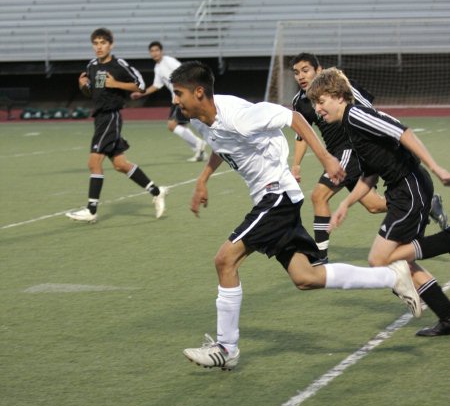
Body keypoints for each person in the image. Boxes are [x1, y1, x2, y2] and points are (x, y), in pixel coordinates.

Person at [169, 61, 421, 371]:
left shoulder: (240, 116)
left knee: (225, 260)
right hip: (270, 199)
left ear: (198, 92)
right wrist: (203, 179)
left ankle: (226, 346)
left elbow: (295, 117)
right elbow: (221, 145)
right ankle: (391, 275)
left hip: (277, 196)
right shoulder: (201, 121)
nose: (174, 101)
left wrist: (327, 158)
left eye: (178, 94)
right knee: (306, 277)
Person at [306, 67, 450, 337]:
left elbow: (403, 133)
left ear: (338, 96)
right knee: (398, 262)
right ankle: (448, 316)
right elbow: (370, 174)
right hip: (400, 191)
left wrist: (437, 167)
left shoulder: (357, 115)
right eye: (314, 104)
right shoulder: (349, 125)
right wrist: (345, 205)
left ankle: (446, 241)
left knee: (379, 259)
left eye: (321, 101)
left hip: (410, 188)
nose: (317, 109)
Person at [290, 52, 386, 261]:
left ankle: (320, 256)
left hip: (352, 149)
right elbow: (302, 135)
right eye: (296, 73)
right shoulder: (300, 101)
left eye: (305, 70)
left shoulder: (341, 86)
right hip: (337, 153)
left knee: (318, 196)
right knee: (374, 206)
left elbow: (371, 112)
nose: (301, 76)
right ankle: (424, 202)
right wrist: (296, 165)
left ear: (319, 70)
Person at [65, 28, 167, 223]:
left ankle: (91, 210)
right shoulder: (92, 65)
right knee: (120, 164)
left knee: (94, 163)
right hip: (100, 118)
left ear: (111, 45)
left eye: (103, 43)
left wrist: (117, 84)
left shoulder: (119, 65)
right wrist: (82, 85)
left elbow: (141, 86)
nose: (99, 47)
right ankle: (157, 191)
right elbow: (91, 92)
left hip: (111, 117)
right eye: (95, 43)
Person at [131, 41, 207, 161]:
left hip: (182, 97)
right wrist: (141, 94)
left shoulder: (168, 61)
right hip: (177, 97)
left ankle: (199, 143)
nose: (154, 53)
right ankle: (199, 152)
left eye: (157, 50)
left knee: (172, 125)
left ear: (161, 51)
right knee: (181, 126)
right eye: (152, 51)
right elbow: (156, 86)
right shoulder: (158, 67)